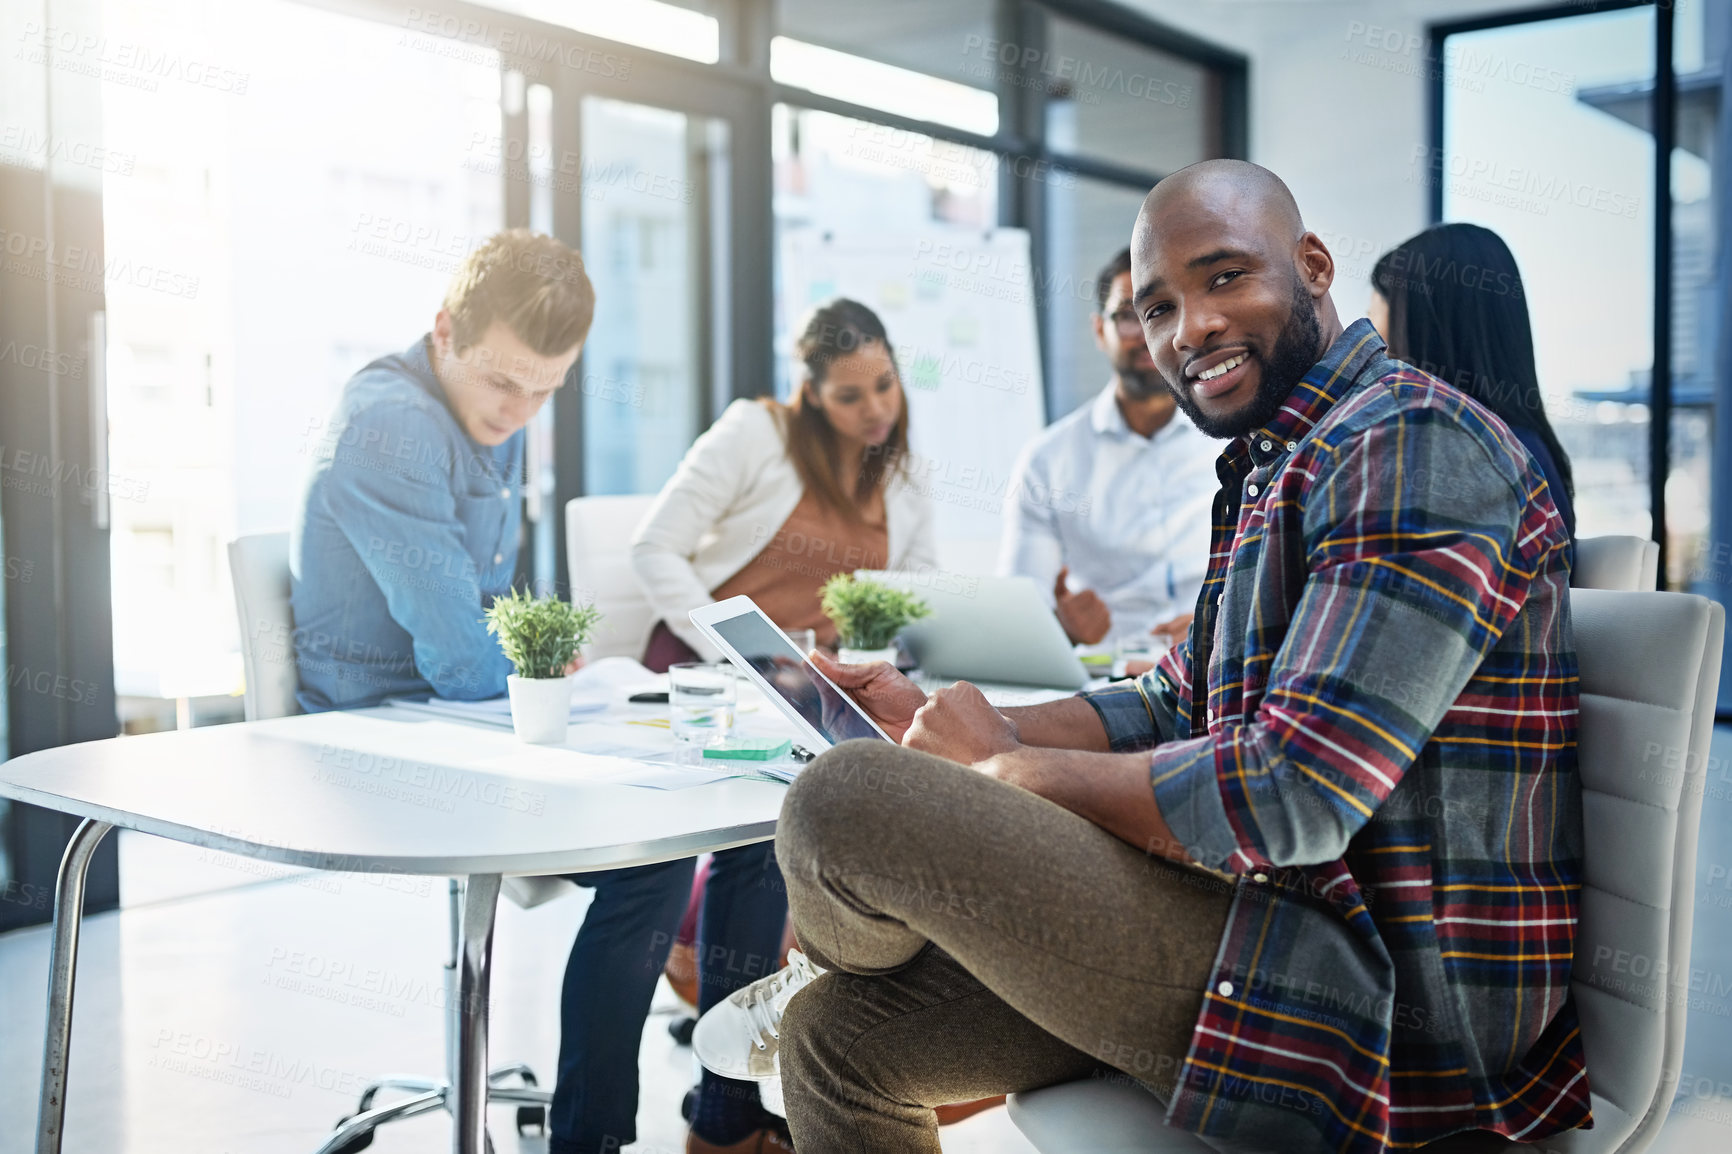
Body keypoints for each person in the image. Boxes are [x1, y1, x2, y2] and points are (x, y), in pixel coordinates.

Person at [693, 161, 1588, 1154]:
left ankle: (830, 953)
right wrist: (945, 718)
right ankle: (829, 973)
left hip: (1381, 1000)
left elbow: (1296, 792)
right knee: (836, 1039)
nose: (1188, 328)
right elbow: (1175, 698)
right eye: (1157, 306)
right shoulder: (1281, 458)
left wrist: (1003, 766)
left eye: (1223, 277)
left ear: (1314, 267)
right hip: (1257, 918)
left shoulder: (1411, 440)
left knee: (841, 800)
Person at [290, 230, 694, 1154]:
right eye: (505, 382)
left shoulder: (490, 409)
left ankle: (633, 1132)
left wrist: (547, 672)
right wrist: (550, 672)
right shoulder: (391, 422)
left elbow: (490, 628)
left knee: (673, 836)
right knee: (651, 851)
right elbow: (467, 656)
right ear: (442, 331)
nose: (520, 411)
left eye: (547, 388)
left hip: (457, 724)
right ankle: (588, 1143)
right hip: (373, 746)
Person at [631, 298, 935, 1153]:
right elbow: (654, 549)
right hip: (712, 678)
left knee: (854, 825)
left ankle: (757, 1102)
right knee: (766, 840)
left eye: (885, 385)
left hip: (816, 693)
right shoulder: (752, 435)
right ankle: (726, 1117)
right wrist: (742, 654)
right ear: (809, 396)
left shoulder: (899, 470)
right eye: (850, 396)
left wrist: (889, 653)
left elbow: (923, 587)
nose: (876, 409)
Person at [999, 247, 1217, 650]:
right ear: (1100, 331)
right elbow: (1019, 617)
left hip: (1214, 669)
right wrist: (1060, 630)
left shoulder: (1233, 439)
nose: (1147, 333)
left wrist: (1217, 625)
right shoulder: (1047, 461)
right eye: (1128, 317)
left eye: (1161, 311)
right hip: (1103, 682)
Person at [1369, 222, 1576, 547]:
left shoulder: (1484, 461)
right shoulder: (1523, 448)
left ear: (1433, 334)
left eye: (1387, 344)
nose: (1375, 354)